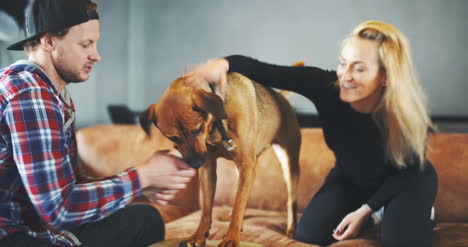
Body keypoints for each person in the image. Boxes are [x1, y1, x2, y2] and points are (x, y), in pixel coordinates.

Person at [184, 20, 438, 247]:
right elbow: (266, 71)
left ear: (385, 76)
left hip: (406, 181)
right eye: (343, 63)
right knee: (310, 235)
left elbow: (411, 170)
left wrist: (365, 210)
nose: (345, 76)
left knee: (401, 240)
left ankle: (405, 213)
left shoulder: (405, 113)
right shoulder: (326, 86)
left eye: (359, 69)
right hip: (351, 178)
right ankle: (375, 216)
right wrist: (222, 63)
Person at [0, 0, 196, 246]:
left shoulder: (49, 92)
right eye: (85, 44)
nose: (97, 55)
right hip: (15, 235)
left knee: (145, 218)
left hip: (35, 224)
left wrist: (139, 187)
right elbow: (59, 209)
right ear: (49, 42)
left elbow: (66, 187)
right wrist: (142, 176)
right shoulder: (30, 93)